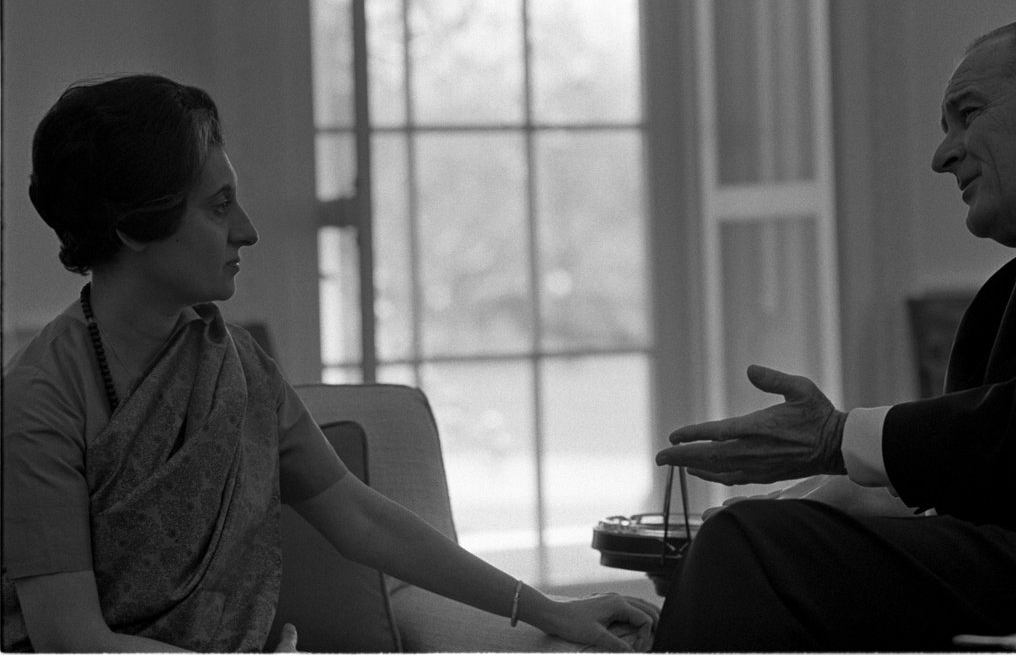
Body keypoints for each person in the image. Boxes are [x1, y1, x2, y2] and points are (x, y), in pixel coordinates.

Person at [1, 74, 659, 653]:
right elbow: (71, 640)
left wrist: (549, 610)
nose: (247, 231)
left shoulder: (234, 366)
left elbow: (358, 516)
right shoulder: (40, 402)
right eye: (219, 206)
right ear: (136, 226)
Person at [652, 14, 1016, 651]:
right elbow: (1013, 458)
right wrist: (853, 495)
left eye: (968, 115)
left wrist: (838, 439)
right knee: (760, 534)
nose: (943, 156)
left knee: (749, 553)